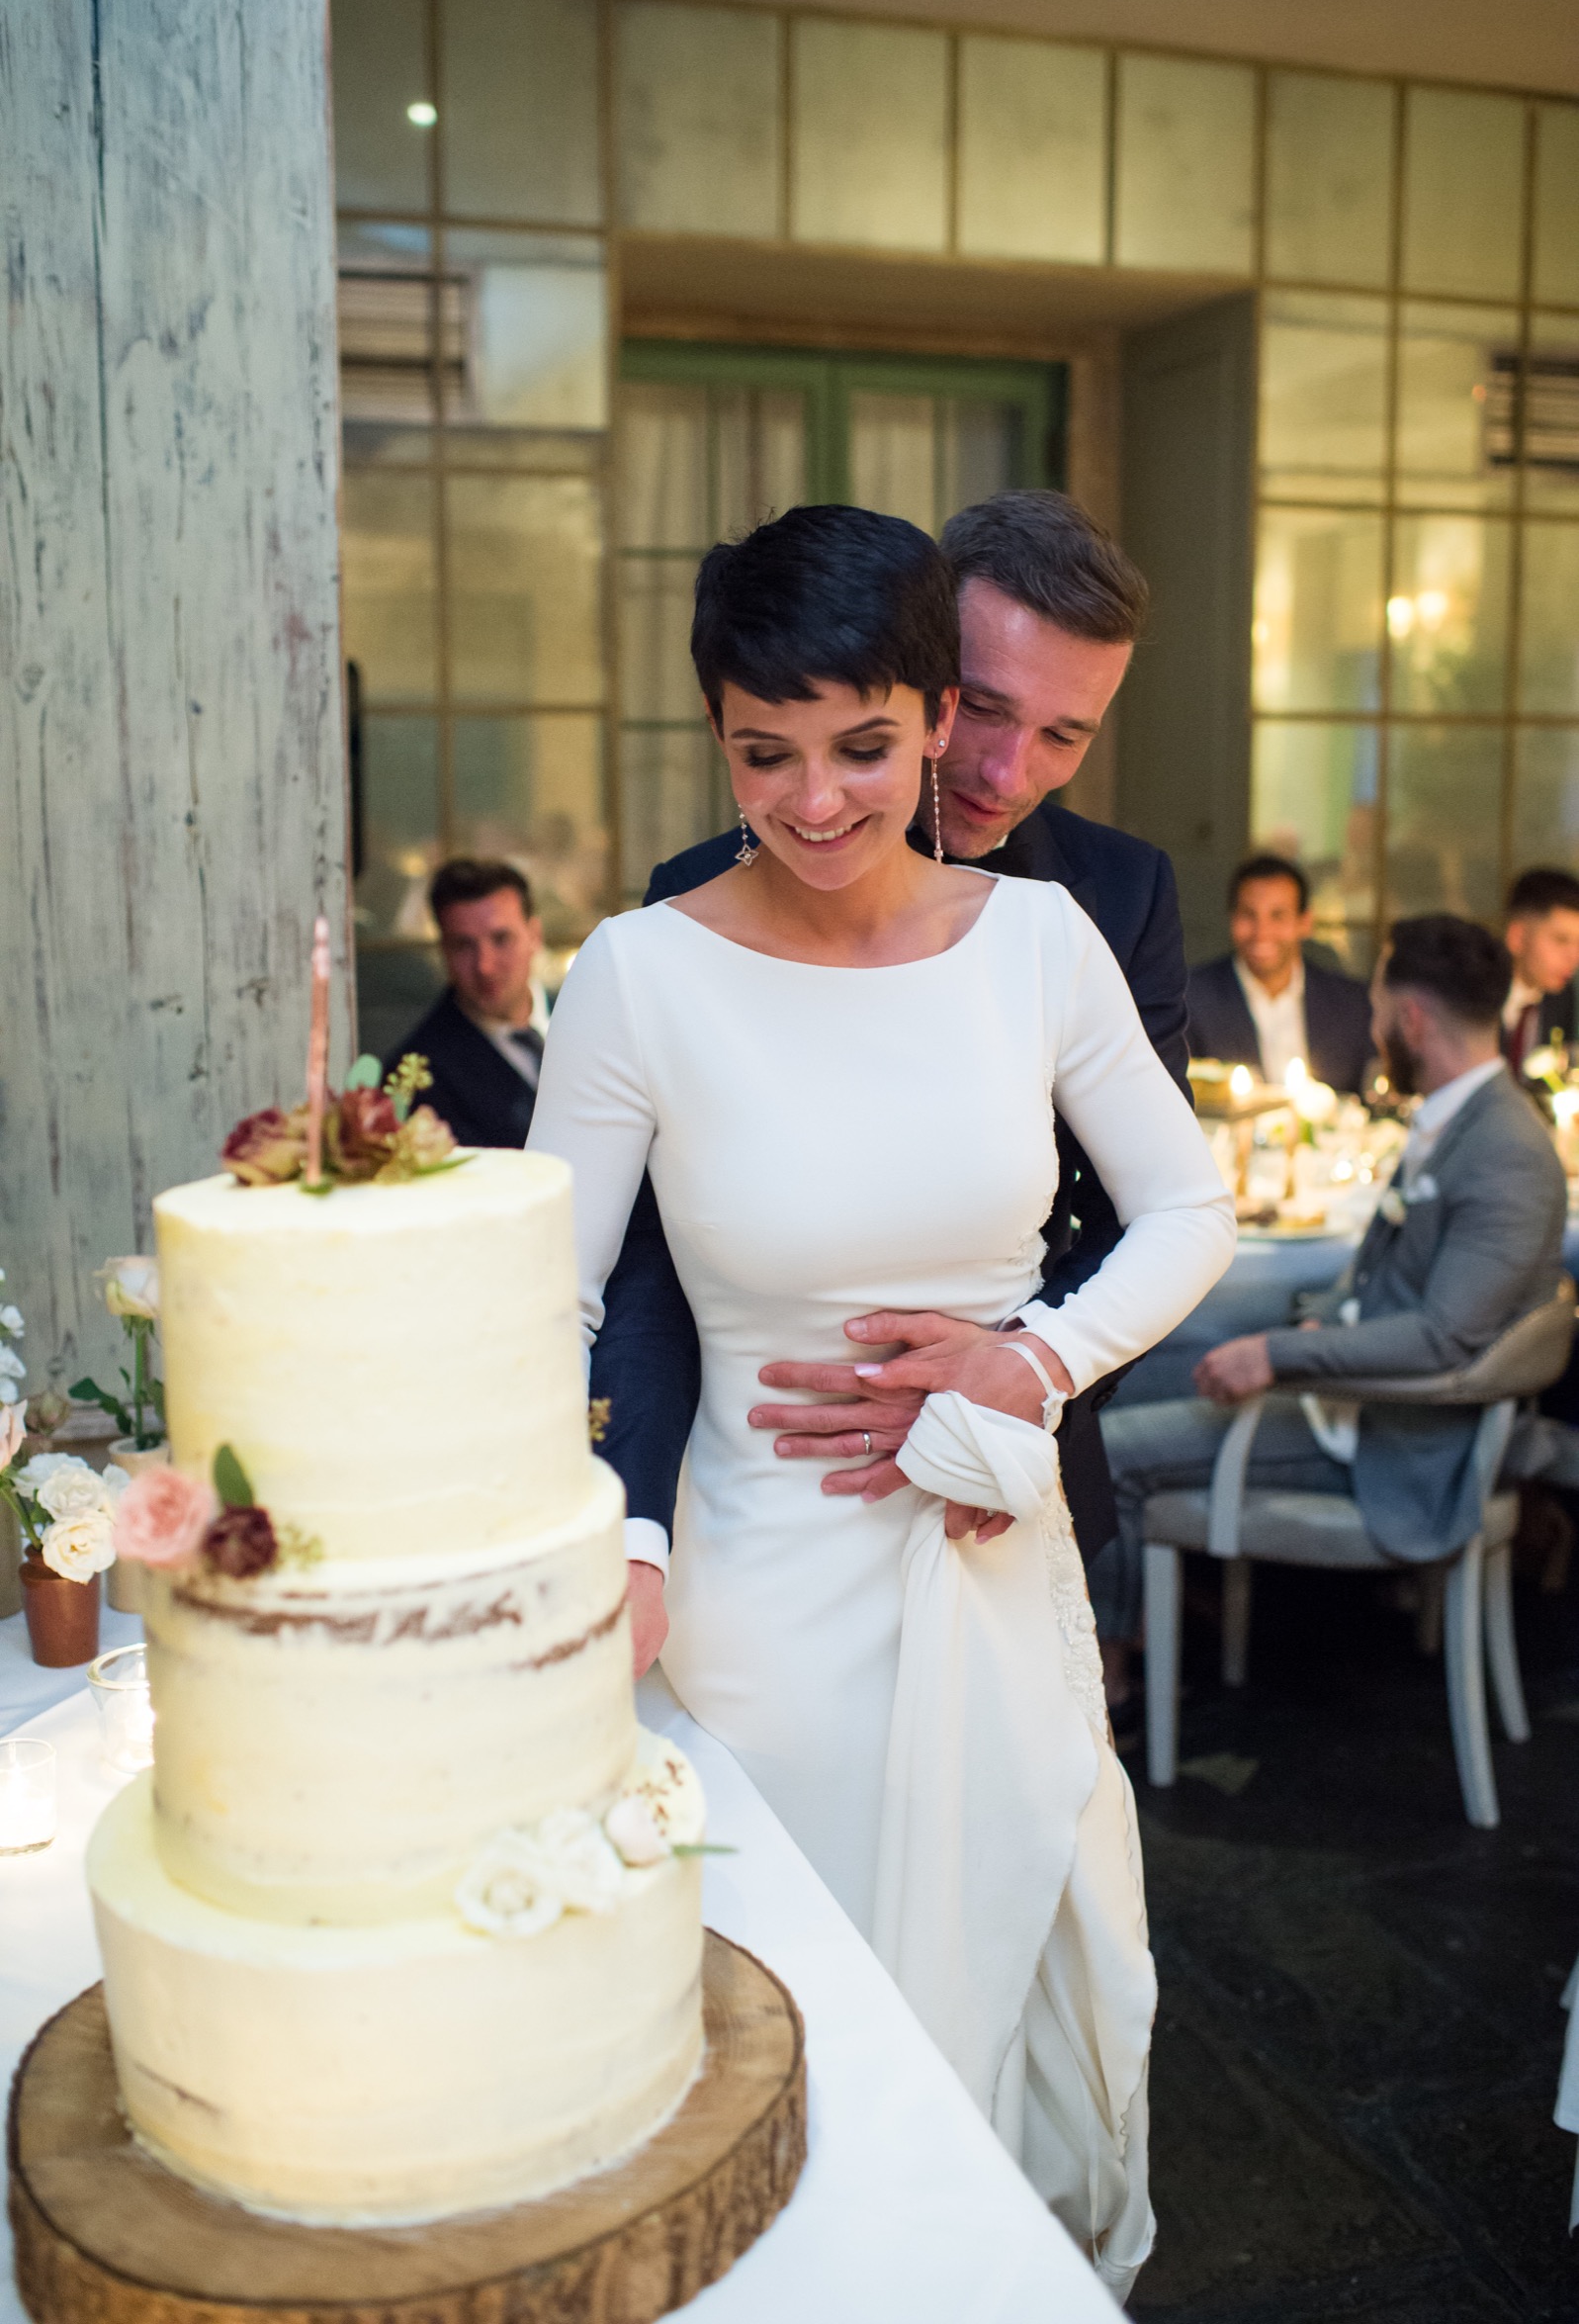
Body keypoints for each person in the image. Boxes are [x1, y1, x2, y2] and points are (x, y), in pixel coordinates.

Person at [530, 504, 1235, 2291]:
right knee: (783, 2027)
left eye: (863, 748)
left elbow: (1187, 1208)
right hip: (753, 1589)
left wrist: (1032, 1360)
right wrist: (610, 1534)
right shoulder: (635, 973)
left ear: (927, 718)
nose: (819, 800)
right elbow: (550, 1303)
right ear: (716, 734)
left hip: (988, 1562)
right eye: (767, 756)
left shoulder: (1048, 942)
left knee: (999, 1991)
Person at [592, 491, 1193, 1668]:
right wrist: (634, 1525)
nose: (1008, 770)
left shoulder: (1107, 904)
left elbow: (1140, 1223)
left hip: (1001, 1487)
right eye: (989, 712)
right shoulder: (682, 913)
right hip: (756, 1498)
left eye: (1066, 736)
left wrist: (1001, 1389)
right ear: (921, 675)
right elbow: (642, 1265)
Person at [1096, 914, 1567, 1698]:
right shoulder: (1463, 1117)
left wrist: (1275, 1354)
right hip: (1361, 1405)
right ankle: (1149, 1611)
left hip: (1400, 1443)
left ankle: (1106, 1679)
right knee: (1125, 1380)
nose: (1375, 1027)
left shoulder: (1504, 1152)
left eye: (1381, 1010)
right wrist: (1319, 1325)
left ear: (1411, 1019)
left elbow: (1442, 1339)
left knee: (1108, 1450)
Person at [383, 859, 547, 1148]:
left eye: (501, 939)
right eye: (463, 946)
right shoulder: (417, 1076)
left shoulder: (590, 1014)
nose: (484, 966)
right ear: (443, 951)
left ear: (535, 936)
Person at [1185, 851, 1373, 1091]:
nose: (1262, 932)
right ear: (1231, 919)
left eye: (1278, 916)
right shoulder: (1192, 998)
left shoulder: (1351, 1002)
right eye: (1248, 915)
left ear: (1304, 922)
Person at [1502, 864, 1579, 1076]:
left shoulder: (1561, 995)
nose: (1574, 958)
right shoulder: (1473, 994)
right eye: (1561, 940)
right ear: (1517, 937)